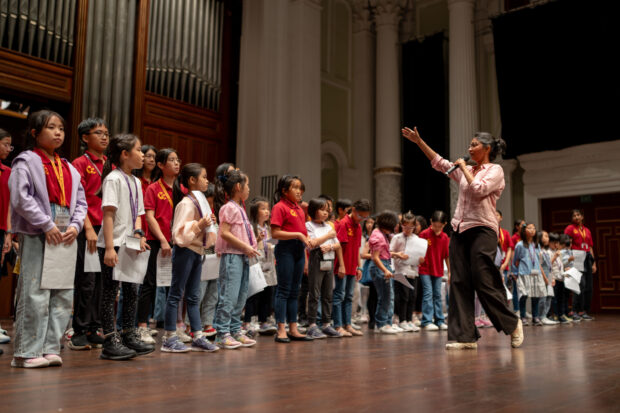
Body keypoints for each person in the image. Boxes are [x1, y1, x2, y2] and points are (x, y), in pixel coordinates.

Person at [402, 126, 522, 350]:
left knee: (483, 280)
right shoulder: (466, 168)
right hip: (460, 230)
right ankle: (464, 336)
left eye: (474, 144)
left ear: (486, 148)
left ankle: (513, 324)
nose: (469, 148)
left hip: (483, 230)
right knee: (458, 282)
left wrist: (465, 169)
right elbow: (439, 162)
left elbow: (478, 189)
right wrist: (419, 142)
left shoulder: (495, 170)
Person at [9, 110, 88, 367]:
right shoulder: (26, 161)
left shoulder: (67, 167)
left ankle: (50, 347)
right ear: (34, 133)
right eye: (51, 128)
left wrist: (76, 226)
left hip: (65, 233)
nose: (58, 133)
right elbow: (21, 198)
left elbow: (81, 202)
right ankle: (26, 352)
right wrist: (46, 223)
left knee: (63, 292)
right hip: (38, 231)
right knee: (35, 291)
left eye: (61, 129)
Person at [97, 134, 154, 360]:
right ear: (124, 154)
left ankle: (129, 332)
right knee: (110, 291)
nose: (143, 155)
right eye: (139, 150)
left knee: (132, 289)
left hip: (129, 242)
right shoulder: (113, 179)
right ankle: (110, 339)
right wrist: (109, 248)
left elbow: (138, 214)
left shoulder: (136, 181)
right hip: (113, 243)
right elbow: (108, 215)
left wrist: (139, 235)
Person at [161, 163, 218, 353]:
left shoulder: (200, 201)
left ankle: (198, 335)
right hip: (185, 251)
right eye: (203, 177)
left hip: (197, 251)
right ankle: (169, 337)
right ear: (192, 180)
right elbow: (178, 234)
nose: (206, 180)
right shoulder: (186, 203)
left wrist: (207, 226)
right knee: (176, 293)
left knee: (193, 296)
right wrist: (200, 225)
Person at [68, 118, 109, 351]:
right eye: (98, 133)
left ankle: (94, 328)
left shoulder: (109, 164)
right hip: (89, 230)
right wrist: (89, 228)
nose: (104, 137)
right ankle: (79, 330)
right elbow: (78, 199)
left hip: (107, 231)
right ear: (85, 138)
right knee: (87, 282)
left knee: (102, 282)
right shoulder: (80, 163)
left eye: (106, 133)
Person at [136, 148, 180, 344]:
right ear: (161, 165)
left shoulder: (182, 189)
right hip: (156, 241)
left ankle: (173, 328)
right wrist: (162, 239)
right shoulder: (154, 188)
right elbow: (150, 217)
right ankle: (142, 327)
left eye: (177, 160)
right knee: (149, 284)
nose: (177, 163)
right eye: (172, 160)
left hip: (177, 242)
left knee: (174, 286)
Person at [213, 169, 259, 349]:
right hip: (232, 256)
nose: (249, 188)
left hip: (243, 256)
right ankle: (222, 333)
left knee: (240, 297)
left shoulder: (240, 208)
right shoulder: (229, 207)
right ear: (239, 187)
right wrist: (245, 246)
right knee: (229, 296)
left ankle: (234, 330)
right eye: (247, 185)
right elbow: (224, 233)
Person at [271, 175, 313, 343]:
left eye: (300, 187)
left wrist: (306, 257)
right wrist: (297, 235)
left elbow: (304, 234)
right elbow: (275, 233)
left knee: (295, 291)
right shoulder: (279, 207)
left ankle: (293, 328)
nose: (299, 191)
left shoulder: (299, 209)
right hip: (285, 250)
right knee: (283, 290)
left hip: (298, 251)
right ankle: (281, 328)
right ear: (284, 190)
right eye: (295, 187)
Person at [305, 198, 345, 339]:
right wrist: (328, 237)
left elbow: (338, 244)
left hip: (329, 258)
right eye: (322, 209)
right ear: (313, 210)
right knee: (314, 294)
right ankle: (311, 325)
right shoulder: (308, 225)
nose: (325, 212)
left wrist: (330, 246)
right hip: (316, 259)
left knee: (328, 294)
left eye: (326, 210)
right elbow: (312, 243)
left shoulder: (329, 225)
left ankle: (326, 324)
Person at [332, 199, 372, 337]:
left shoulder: (358, 226)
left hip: (352, 267)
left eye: (365, 217)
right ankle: (337, 326)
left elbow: (357, 249)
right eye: (360, 216)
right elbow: (339, 248)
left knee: (349, 296)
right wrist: (341, 266)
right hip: (341, 266)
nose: (362, 219)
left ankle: (347, 324)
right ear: (353, 210)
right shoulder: (344, 223)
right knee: (339, 295)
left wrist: (359, 267)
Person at [243, 196, 277, 336]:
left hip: (269, 262)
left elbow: (274, 243)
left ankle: (264, 320)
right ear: (255, 211)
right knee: (254, 292)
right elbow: (249, 246)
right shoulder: (251, 227)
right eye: (263, 208)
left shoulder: (269, 228)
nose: (267, 211)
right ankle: (248, 321)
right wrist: (257, 240)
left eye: (267, 208)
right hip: (256, 262)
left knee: (268, 293)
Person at [389, 211, 422, 332]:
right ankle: (402, 320)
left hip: (413, 270)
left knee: (413, 296)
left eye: (411, 227)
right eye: (405, 226)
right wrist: (398, 254)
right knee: (403, 296)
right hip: (400, 270)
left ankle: (409, 320)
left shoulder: (416, 238)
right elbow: (389, 253)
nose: (408, 229)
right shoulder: (397, 238)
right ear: (401, 225)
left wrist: (421, 258)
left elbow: (420, 254)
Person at [418, 210, 450, 331]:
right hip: (425, 268)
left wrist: (450, 272)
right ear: (431, 221)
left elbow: (447, 256)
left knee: (437, 295)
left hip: (438, 269)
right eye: (435, 225)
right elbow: (418, 251)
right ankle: (426, 320)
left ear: (444, 224)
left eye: (440, 226)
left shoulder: (445, 237)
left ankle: (440, 320)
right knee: (428, 293)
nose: (437, 228)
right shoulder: (424, 234)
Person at [368, 211, 399, 334]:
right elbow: (375, 258)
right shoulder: (378, 236)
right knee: (385, 297)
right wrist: (385, 270)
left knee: (388, 296)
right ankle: (382, 323)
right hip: (380, 266)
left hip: (384, 264)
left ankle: (387, 322)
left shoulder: (380, 234)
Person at [513, 223, 549, 326]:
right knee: (524, 295)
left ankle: (535, 317)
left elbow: (538, 260)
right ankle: (523, 316)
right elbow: (515, 260)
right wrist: (515, 273)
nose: (532, 230)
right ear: (524, 231)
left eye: (534, 228)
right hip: (524, 273)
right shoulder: (519, 245)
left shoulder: (536, 244)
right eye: (529, 228)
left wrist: (543, 275)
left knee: (536, 295)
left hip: (536, 273)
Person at [564, 209, 596, 321]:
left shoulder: (587, 230)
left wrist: (594, 263)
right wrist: (567, 259)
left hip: (587, 257)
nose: (576, 217)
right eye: (574, 216)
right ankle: (574, 310)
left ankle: (583, 311)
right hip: (576, 256)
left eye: (578, 215)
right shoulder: (570, 228)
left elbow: (590, 246)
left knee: (588, 286)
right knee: (578, 285)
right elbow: (566, 244)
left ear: (582, 217)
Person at [538, 231, 559, 325]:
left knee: (549, 297)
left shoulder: (545, 251)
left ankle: (545, 315)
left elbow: (549, 265)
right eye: (545, 236)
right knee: (542, 298)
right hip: (543, 277)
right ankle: (540, 316)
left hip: (549, 277)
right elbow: (539, 266)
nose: (547, 238)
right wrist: (545, 278)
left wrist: (552, 278)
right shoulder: (538, 251)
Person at [558, 234, 575, 323]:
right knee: (562, 296)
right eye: (568, 243)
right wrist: (569, 260)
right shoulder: (561, 252)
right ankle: (563, 313)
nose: (570, 244)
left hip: (569, 275)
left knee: (567, 295)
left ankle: (567, 311)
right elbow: (560, 263)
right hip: (562, 276)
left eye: (571, 243)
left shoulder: (570, 251)